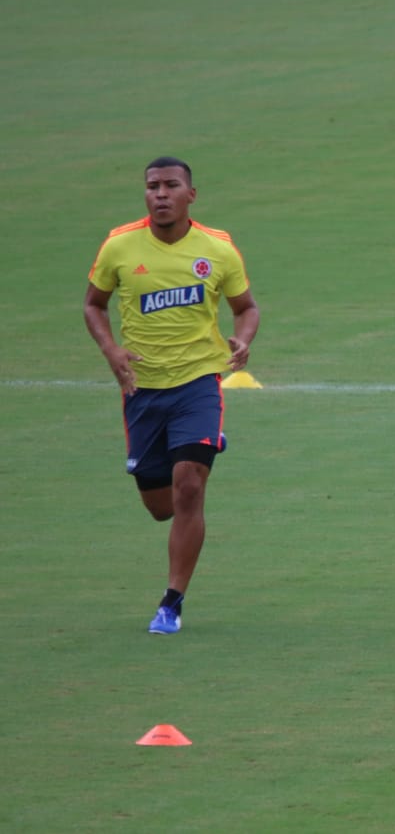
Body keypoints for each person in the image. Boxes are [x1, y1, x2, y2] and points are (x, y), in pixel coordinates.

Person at [83, 156, 260, 635]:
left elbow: (246, 307)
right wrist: (111, 350)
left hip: (199, 382)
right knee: (160, 506)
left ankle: (171, 602)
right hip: (142, 389)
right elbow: (93, 305)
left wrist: (243, 339)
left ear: (190, 195)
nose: (160, 194)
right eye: (152, 186)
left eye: (170, 185)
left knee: (189, 487)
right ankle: (203, 443)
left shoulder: (217, 249)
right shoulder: (120, 245)